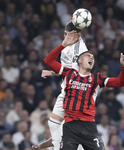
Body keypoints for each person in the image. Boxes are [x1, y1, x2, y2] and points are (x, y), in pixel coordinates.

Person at [32, 30, 124, 149]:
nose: (91, 58)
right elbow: (48, 61)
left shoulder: (97, 79)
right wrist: (63, 44)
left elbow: (120, 82)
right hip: (70, 127)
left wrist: (123, 68)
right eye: (88, 56)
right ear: (79, 60)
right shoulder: (69, 73)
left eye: (93, 57)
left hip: (88, 127)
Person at [40, 21, 88, 150]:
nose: (65, 37)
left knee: (67, 128)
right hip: (66, 89)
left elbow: (76, 74)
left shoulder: (81, 50)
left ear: (77, 35)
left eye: (68, 34)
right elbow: (66, 69)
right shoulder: (67, 45)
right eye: (65, 34)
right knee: (53, 123)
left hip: (76, 93)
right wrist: (52, 72)